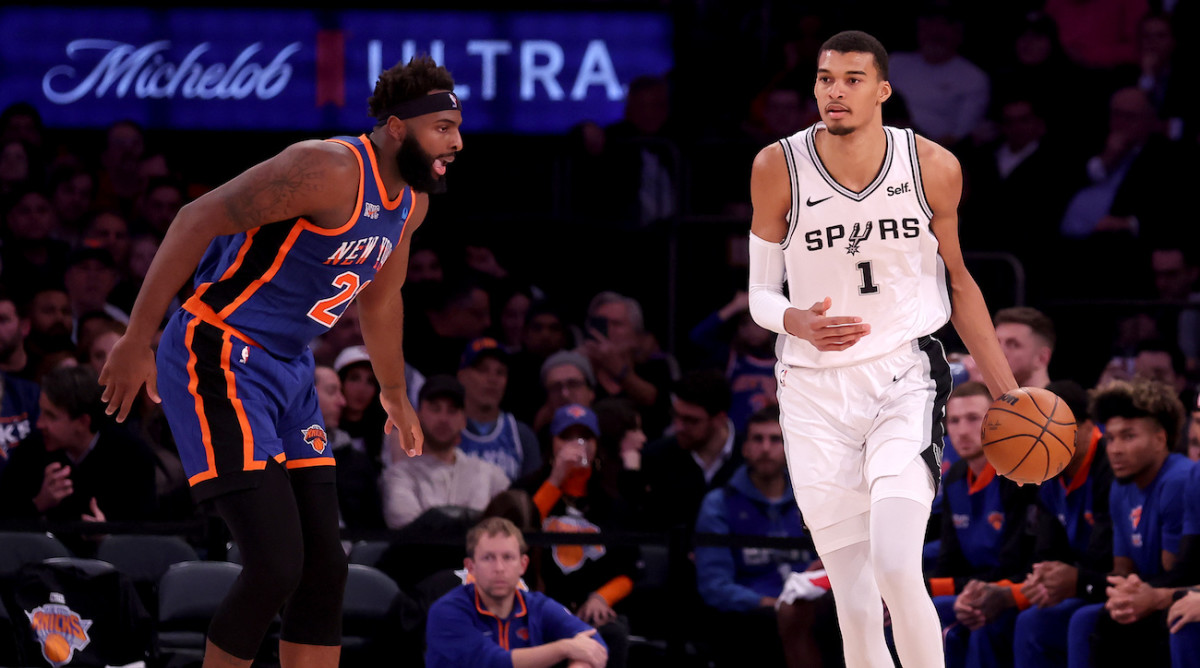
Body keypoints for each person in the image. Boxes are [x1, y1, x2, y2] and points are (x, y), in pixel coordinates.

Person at [97, 56, 463, 667]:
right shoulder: (325, 168)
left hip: (288, 368)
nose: (457, 141)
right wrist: (138, 337)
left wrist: (395, 392)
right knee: (274, 565)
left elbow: (380, 298)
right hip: (217, 349)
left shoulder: (412, 203)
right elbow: (194, 219)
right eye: (444, 128)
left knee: (326, 568)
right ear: (398, 127)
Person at [746, 30, 1020, 667]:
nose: (834, 91)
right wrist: (793, 319)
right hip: (813, 392)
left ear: (883, 91)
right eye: (824, 79)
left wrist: (1008, 391)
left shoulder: (932, 165)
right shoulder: (776, 165)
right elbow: (760, 291)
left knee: (899, 566)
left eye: (851, 79)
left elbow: (959, 283)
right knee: (856, 602)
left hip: (904, 375)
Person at [693, 405, 837, 668]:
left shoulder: (811, 499)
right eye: (757, 439)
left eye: (775, 439)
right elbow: (714, 585)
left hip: (815, 608)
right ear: (745, 448)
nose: (766, 448)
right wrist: (772, 603)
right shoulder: (719, 504)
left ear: (788, 447)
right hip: (751, 617)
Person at [0, 366, 157, 556]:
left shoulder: (132, 457)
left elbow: (147, 537)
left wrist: (108, 537)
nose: (39, 423)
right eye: (41, 412)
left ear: (82, 422)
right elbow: (6, 523)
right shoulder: (31, 452)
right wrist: (38, 504)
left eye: (51, 416)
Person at [424, 516, 609, 668]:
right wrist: (565, 647)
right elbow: (494, 662)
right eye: (488, 558)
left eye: (508, 557)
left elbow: (594, 641)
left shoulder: (538, 606)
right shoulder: (446, 612)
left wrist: (580, 660)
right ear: (470, 567)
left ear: (523, 565)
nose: (499, 568)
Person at [379, 375, 509, 529]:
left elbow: (506, 531)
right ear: (417, 416)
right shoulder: (398, 476)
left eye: (452, 411)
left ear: (463, 420)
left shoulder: (490, 475)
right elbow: (407, 529)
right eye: (435, 409)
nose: (443, 419)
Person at [994, 306, 1056, 389]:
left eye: (1013, 345)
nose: (998, 352)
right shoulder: (985, 398)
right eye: (996, 343)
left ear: (1042, 358)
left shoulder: (1066, 400)